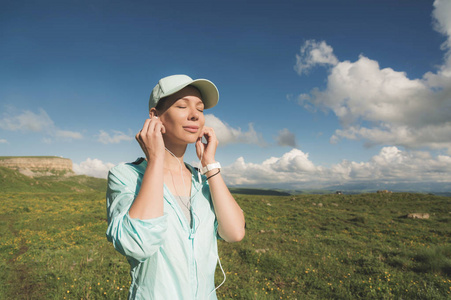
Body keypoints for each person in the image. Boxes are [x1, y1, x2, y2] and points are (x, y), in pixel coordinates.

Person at [106, 74, 246, 299]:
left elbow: (235, 233)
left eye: (200, 109)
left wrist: (210, 165)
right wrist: (155, 159)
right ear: (155, 117)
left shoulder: (201, 180)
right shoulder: (126, 175)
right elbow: (136, 244)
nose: (194, 115)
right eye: (182, 105)